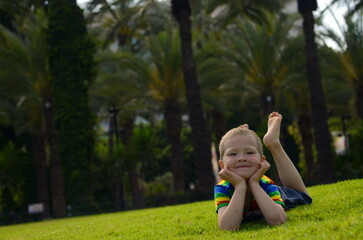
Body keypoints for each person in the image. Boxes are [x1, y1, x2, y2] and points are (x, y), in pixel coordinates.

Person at [214, 112, 312, 231]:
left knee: (304, 196)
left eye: (249, 152)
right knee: (244, 141)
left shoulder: (265, 183)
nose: (241, 158)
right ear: (221, 164)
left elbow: (279, 221)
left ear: (262, 160)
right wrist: (240, 186)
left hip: (274, 196)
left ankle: (274, 144)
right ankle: (247, 136)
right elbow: (227, 228)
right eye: (233, 154)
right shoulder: (223, 188)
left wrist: (254, 183)